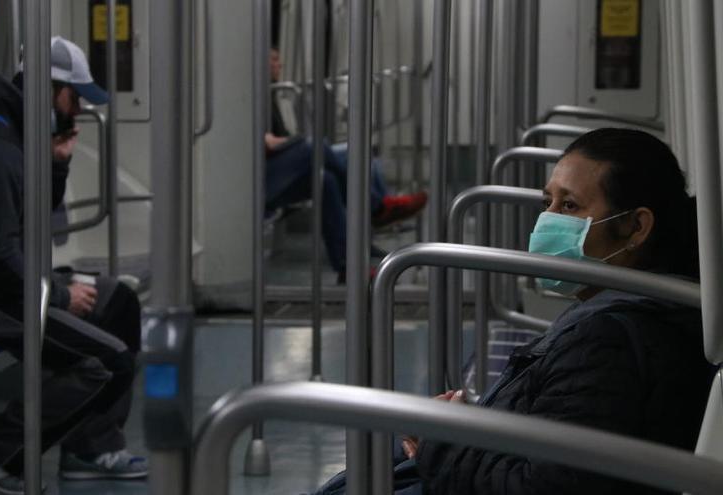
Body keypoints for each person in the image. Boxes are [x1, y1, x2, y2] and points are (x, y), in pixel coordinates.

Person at [312, 128, 716, 494]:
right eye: (548, 202)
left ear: (636, 228)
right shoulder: (635, 312)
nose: (547, 222)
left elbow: (544, 489)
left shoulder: (610, 342)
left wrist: (443, 442)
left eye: (570, 206)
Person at [0, 36, 147, 494]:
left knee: (120, 303)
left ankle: (90, 449)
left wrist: (56, 165)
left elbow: (29, 224)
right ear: (53, 90)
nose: (76, 111)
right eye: (74, 99)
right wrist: (58, 295)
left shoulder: (12, 128)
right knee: (105, 360)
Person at [266, 48, 427, 281]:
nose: (279, 65)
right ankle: (377, 208)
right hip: (260, 178)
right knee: (315, 146)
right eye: (273, 60)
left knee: (328, 179)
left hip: (277, 168)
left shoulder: (272, 95)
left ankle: (348, 266)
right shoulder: (250, 97)